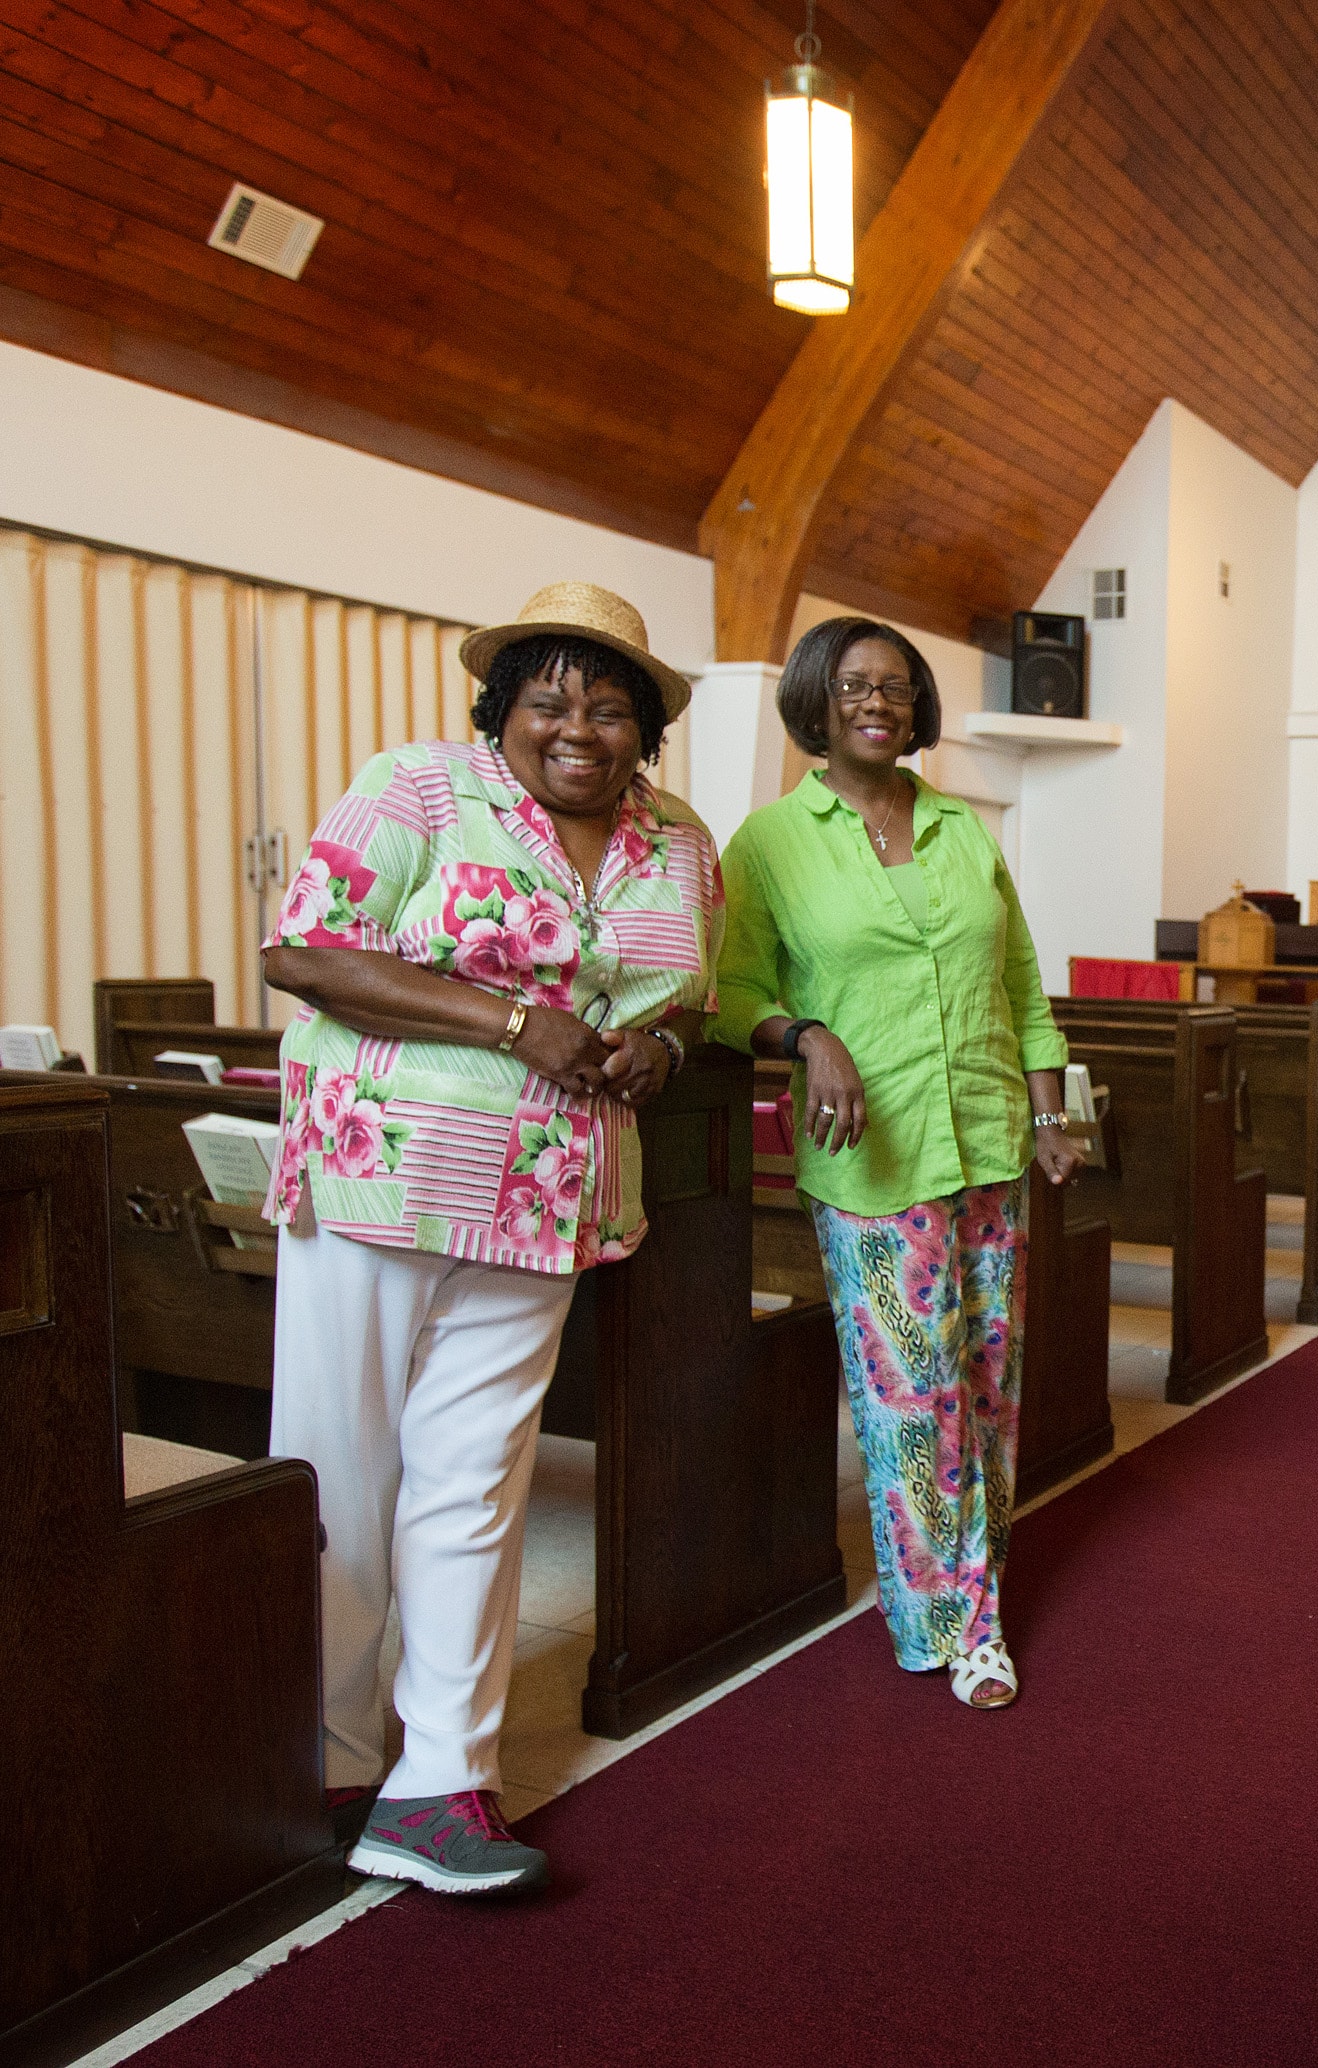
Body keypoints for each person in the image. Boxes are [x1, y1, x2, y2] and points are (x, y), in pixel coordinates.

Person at [263, 581, 723, 1895]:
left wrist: (660, 1046)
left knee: (474, 1484)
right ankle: (330, 1761)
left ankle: (437, 1787)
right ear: (502, 709)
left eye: (612, 705)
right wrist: (516, 1024)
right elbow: (303, 950)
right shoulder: (417, 790)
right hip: (380, 1174)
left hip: (550, 1195)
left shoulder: (681, 840)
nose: (580, 725)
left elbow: (686, 991)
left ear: (647, 729)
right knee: (342, 1475)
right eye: (550, 697)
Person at [711, 616, 1082, 1709]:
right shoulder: (772, 842)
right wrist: (805, 1036)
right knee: (912, 1399)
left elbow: (1019, 978)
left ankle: (973, 1584)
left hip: (986, 1145)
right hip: (872, 1164)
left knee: (987, 1387)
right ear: (817, 701)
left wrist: (1052, 1112)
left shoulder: (966, 831)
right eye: (856, 684)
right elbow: (731, 993)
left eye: (899, 687)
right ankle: (956, 1624)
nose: (880, 702)